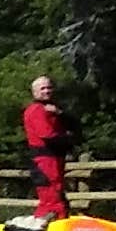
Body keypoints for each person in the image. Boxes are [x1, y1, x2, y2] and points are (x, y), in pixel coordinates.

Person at [19, 73, 70, 219]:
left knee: (54, 196)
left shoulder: (51, 109)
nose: (47, 91)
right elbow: (47, 135)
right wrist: (67, 141)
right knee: (52, 197)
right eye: (42, 88)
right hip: (45, 160)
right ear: (35, 92)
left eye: (49, 88)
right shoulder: (37, 110)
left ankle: (46, 229)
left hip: (52, 159)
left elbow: (72, 123)